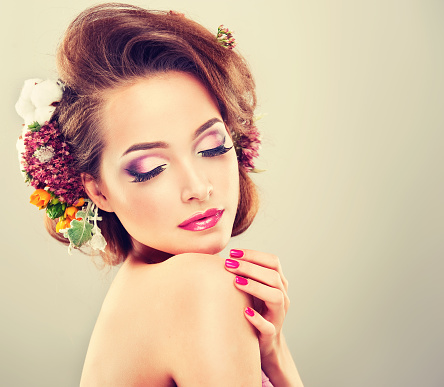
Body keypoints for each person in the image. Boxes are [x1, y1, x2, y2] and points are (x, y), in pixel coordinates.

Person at [15, 3, 304, 386]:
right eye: (150, 168)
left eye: (213, 146)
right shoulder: (199, 286)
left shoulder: (134, 296)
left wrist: (275, 355)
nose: (199, 188)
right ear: (98, 190)